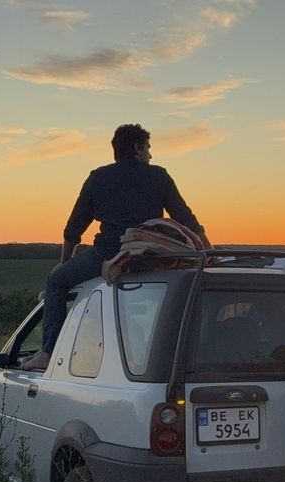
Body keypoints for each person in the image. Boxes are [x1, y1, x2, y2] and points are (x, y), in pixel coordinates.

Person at [21, 123, 211, 371]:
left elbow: (73, 230)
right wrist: (209, 253)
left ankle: (48, 352)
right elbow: (186, 219)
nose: (150, 155)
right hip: (149, 257)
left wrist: (64, 264)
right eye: (148, 148)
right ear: (137, 148)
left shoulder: (98, 177)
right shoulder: (159, 176)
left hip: (107, 254)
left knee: (56, 282)